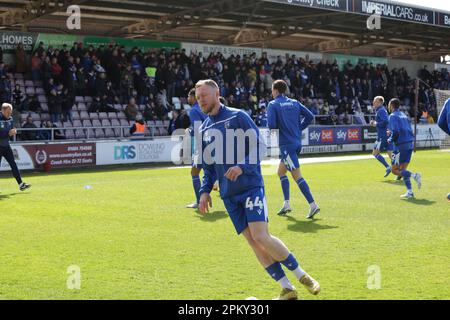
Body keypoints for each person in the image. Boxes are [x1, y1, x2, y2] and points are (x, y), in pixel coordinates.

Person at [196, 79, 320, 300]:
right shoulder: (204, 129)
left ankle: (303, 276)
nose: (201, 100)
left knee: (261, 236)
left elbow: (260, 146)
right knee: (253, 242)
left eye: (204, 95)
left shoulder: (238, 116)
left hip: (250, 186)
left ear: (216, 94)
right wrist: (204, 190)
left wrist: (242, 166)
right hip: (228, 195)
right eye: (197, 98)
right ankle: (287, 289)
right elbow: (208, 167)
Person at [267, 80, 319, 219]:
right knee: (281, 172)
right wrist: (299, 128)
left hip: (286, 145)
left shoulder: (273, 104)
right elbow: (310, 116)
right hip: (296, 142)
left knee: (297, 176)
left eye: (272, 90)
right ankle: (286, 203)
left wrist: (273, 132)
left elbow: (271, 125)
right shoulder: (295, 102)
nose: (271, 93)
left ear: (276, 90)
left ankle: (313, 204)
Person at [387, 98, 421, 199]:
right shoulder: (403, 115)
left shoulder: (392, 116)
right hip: (409, 143)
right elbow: (405, 129)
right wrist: (392, 133)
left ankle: (415, 176)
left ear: (392, 105)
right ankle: (410, 192)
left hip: (400, 145)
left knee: (394, 170)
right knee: (402, 169)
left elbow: (396, 132)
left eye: (389, 105)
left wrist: (390, 139)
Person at [0, 103, 31, 191]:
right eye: (7, 112)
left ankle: (21, 184)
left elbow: (9, 132)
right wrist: (8, 133)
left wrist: (13, 132)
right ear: (2, 111)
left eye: (10, 112)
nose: (9, 114)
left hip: (6, 146)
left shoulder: (10, 119)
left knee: (13, 164)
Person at [185, 88, 208, 209]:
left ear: (194, 97)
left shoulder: (193, 110)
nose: (188, 98)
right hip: (210, 142)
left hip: (200, 144)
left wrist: (190, 130)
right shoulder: (204, 108)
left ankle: (199, 201)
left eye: (189, 96)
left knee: (194, 172)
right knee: (208, 171)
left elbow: (198, 128)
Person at [370, 96, 393, 178]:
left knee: (375, 153)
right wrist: (375, 123)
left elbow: (386, 121)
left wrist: (376, 124)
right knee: (390, 153)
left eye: (375, 101)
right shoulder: (381, 110)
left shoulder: (381, 111)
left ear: (380, 102)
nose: (373, 102)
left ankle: (388, 167)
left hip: (382, 136)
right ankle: (400, 170)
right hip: (386, 135)